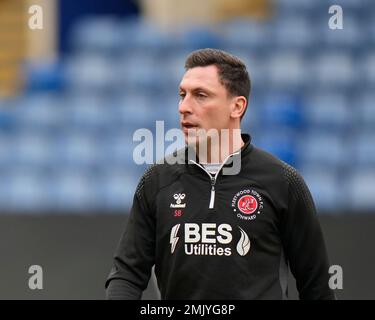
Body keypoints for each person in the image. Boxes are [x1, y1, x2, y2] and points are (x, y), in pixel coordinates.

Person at [105, 48, 335, 300]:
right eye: (182, 95)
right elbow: (126, 274)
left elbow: (316, 286)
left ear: (237, 106)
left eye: (200, 95)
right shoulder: (156, 180)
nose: (184, 107)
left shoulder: (283, 182)